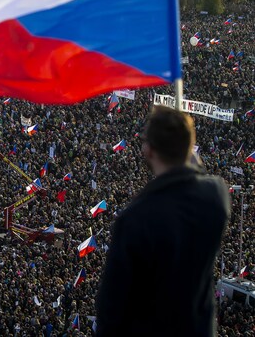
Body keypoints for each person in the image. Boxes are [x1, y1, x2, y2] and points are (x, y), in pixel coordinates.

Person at [96, 106, 231, 336]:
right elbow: (200, 173)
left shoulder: (135, 219)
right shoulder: (217, 196)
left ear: (149, 150)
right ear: (190, 147)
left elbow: (111, 309)